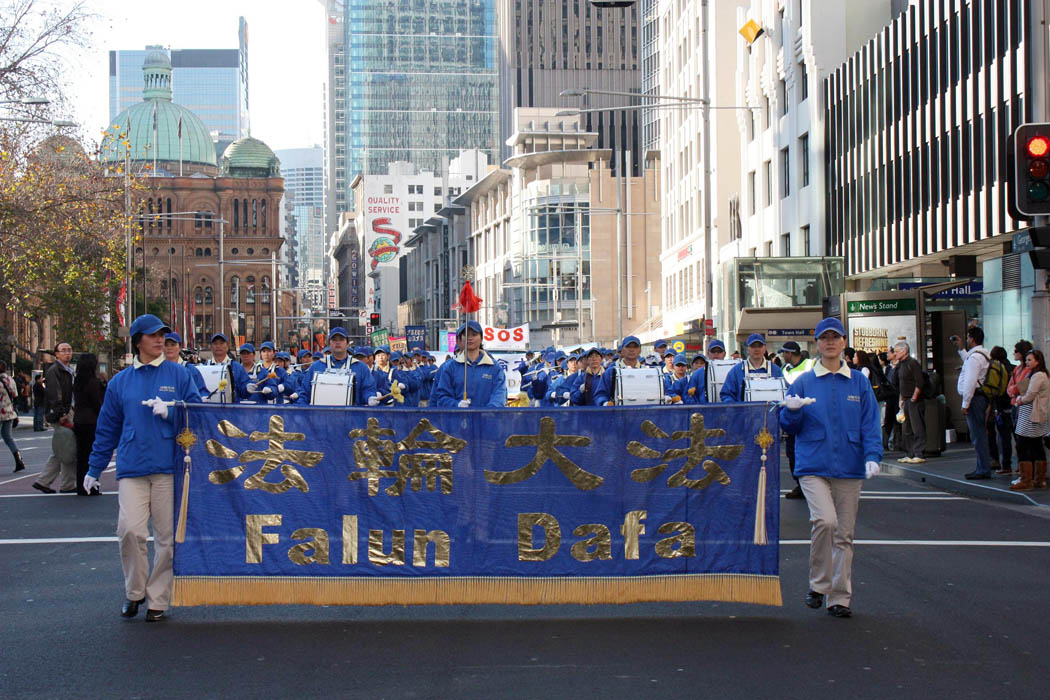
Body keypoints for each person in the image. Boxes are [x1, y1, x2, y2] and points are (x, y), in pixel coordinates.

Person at [85, 314, 204, 622]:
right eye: (153, 335)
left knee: (167, 539)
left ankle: (158, 600)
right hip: (132, 466)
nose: (160, 339)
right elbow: (107, 428)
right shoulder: (120, 382)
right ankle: (135, 591)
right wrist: (94, 468)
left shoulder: (179, 374)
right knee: (129, 531)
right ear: (138, 341)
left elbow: (198, 414)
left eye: (162, 334)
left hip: (168, 466)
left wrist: (172, 411)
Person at [780, 317, 882, 619]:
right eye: (824, 338)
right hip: (813, 464)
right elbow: (789, 426)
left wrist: (873, 455)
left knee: (844, 535)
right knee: (825, 521)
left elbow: (870, 422)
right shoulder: (804, 381)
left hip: (850, 466)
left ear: (844, 342)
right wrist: (792, 412)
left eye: (835, 337)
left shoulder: (859, 382)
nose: (830, 343)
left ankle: (839, 598)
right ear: (817, 344)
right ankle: (819, 584)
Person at [33, 342, 76, 494]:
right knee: (68, 446)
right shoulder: (54, 371)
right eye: (63, 350)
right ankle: (65, 484)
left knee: (65, 446)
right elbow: (54, 394)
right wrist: (62, 413)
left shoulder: (68, 370)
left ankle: (45, 482)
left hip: (68, 410)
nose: (67, 353)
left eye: (69, 350)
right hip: (61, 413)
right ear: (56, 354)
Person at [431, 320, 507, 408]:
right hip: (458, 416)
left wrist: (488, 412)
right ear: (460, 339)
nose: (469, 338)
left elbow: (500, 395)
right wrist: (457, 405)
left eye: (474, 334)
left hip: (487, 416)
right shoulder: (450, 367)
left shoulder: (494, 367)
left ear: (481, 338)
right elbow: (442, 396)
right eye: (465, 335)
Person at [297, 327, 379, 406]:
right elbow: (304, 393)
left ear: (347, 344)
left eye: (341, 339)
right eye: (334, 339)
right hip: (321, 414)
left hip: (352, 415)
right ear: (329, 344)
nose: (337, 342)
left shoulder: (361, 367)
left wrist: (370, 397)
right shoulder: (316, 367)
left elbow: (368, 389)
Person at [953, 327, 993, 479]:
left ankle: (983, 469)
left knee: (978, 435)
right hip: (979, 398)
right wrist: (961, 348)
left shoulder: (975, 358)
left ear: (972, 339)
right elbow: (968, 361)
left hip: (975, 399)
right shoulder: (981, 355)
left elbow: (970, 383)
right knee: (979, 434)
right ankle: (982, 467)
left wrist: (965, 404)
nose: (967, 340)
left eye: (968, 337)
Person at [1010, 349, 1049, 491]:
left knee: (1022, 445)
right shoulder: (1040, 374)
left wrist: (1020, 399)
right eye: (1026, 360)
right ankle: (1039, 479)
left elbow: (1030, 395)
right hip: (1035, 414)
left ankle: (1026, 480)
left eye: (1030, 360)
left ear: (1038, 361)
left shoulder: (1038, 375)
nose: (1027, 362)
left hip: (1030, 415)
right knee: (1036, 446)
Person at [781, 341, 816, 499]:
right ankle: (800, 485)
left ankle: (811, 485)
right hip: (792, 416)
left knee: (809, 452)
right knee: (792, 453)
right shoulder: (785, 369)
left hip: (809, 416)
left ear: (790, 353)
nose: (783, 356)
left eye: (784, 353)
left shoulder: (810, 364)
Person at [72, 353, 105, 495]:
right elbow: (97, 402)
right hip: (91, 421)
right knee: (92, 454)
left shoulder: (77, 381)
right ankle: (92, 486)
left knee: (81, 456)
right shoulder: (93, 382)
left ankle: (81, 485)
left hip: (79, 421)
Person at [720, 334, 784, 402]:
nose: (757, 349)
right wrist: (734, 406)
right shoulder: (736, 371)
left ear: (765, 348)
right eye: (753, 346)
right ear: (747, 349)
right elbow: (726, 394)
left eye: (760, 346)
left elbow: (785, 392)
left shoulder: (776, 370)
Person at [893, 340, 926, 464]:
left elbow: (919, 382)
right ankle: (909, 453)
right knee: (906, 429)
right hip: (906, 399)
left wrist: (914, 398)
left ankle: (919, 453)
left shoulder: (913, 363)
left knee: (917, 427)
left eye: (897, 352)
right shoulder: (901, 365)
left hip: (914, 400)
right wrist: (901, 399)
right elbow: (900, 383)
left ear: (904, 351)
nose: (895, 354)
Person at [986, 346, 1015, 474]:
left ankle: (1004, 464)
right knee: (1018, 437)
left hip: (999, 406)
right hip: (1014, 405)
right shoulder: (1014, 368)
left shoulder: (995, 369)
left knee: (1003, 437)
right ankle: (1021, 466)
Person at [0, 361, 26, 473]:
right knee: (8, 437)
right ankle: (19, 460)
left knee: (7, 436)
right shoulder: (10, 380)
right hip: (9, 412)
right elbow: (15, 395)